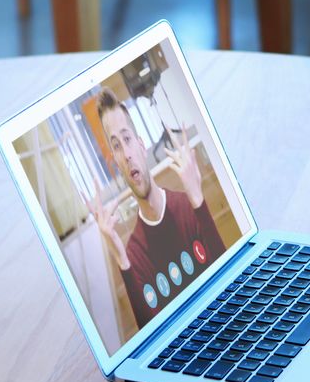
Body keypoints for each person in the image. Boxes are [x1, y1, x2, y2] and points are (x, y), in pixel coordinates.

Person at [87, 88, 225, 328]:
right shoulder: (134, 255)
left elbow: (229, 282)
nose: (127, 154)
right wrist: (121, 259)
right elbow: (149, 336)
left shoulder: (188, 206)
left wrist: (199, 201)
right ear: (116, 164)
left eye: (127, 139)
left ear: (141, 146)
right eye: (116, 146)